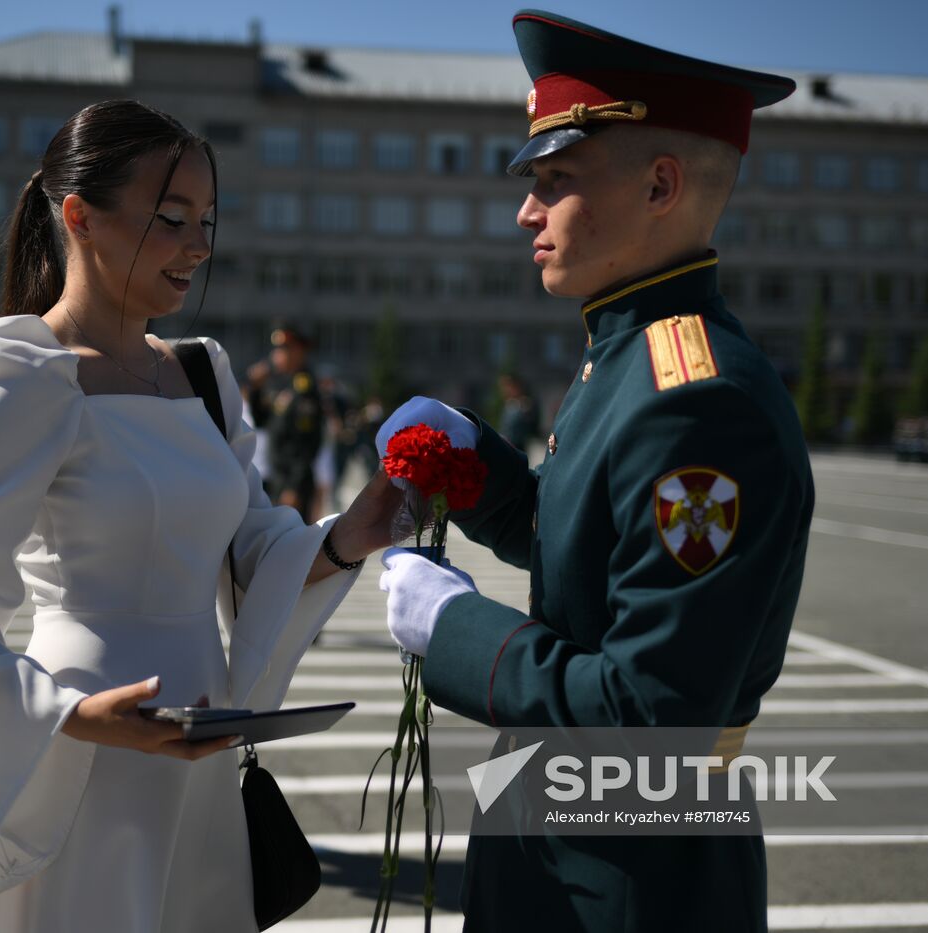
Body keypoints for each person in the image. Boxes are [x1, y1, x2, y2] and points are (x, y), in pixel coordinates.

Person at [0, 99, 401, 932]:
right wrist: (70, 717)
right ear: (78, 216)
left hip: (201, 738)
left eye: (209, 220)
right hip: (86, 746)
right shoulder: (29, 373)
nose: (199, 245)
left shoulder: (200, 373)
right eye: (173, 217)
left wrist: (345, 536)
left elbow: (248, 542)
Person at [376, 12, 814, 932]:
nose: (526, 211)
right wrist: (479, 472)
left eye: (556, 180)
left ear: (661, 185)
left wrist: (454, 630)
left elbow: (652, 715)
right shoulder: (627, 356)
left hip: (631, 869)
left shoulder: (698, 400)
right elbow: (589, 563)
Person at [245, 324, 324, 518]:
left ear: (299, 351)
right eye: (277, 349)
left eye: (284, 349)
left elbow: (307, 443)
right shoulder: (280, 383)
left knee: (296, 543)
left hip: (294, 482)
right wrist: (255, 388)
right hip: (278, 478)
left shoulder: (304, 388)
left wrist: (294, 487)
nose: (277, 354)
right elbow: (262, 421)